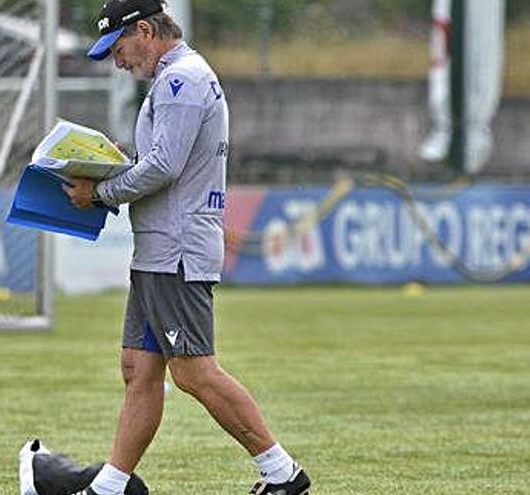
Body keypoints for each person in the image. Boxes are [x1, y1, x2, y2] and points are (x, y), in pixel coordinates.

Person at [62, 1, 311, 494]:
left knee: (195, 373)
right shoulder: (178, 79)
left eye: (119, 48)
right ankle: (110, 488)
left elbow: (163, 167)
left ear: (146, 31)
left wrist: (101, 193)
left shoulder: (181, 82)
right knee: (139, 368)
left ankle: (282, 473)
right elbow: (160, 160)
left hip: (175, 248)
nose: (118, 61)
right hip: (160, 246)